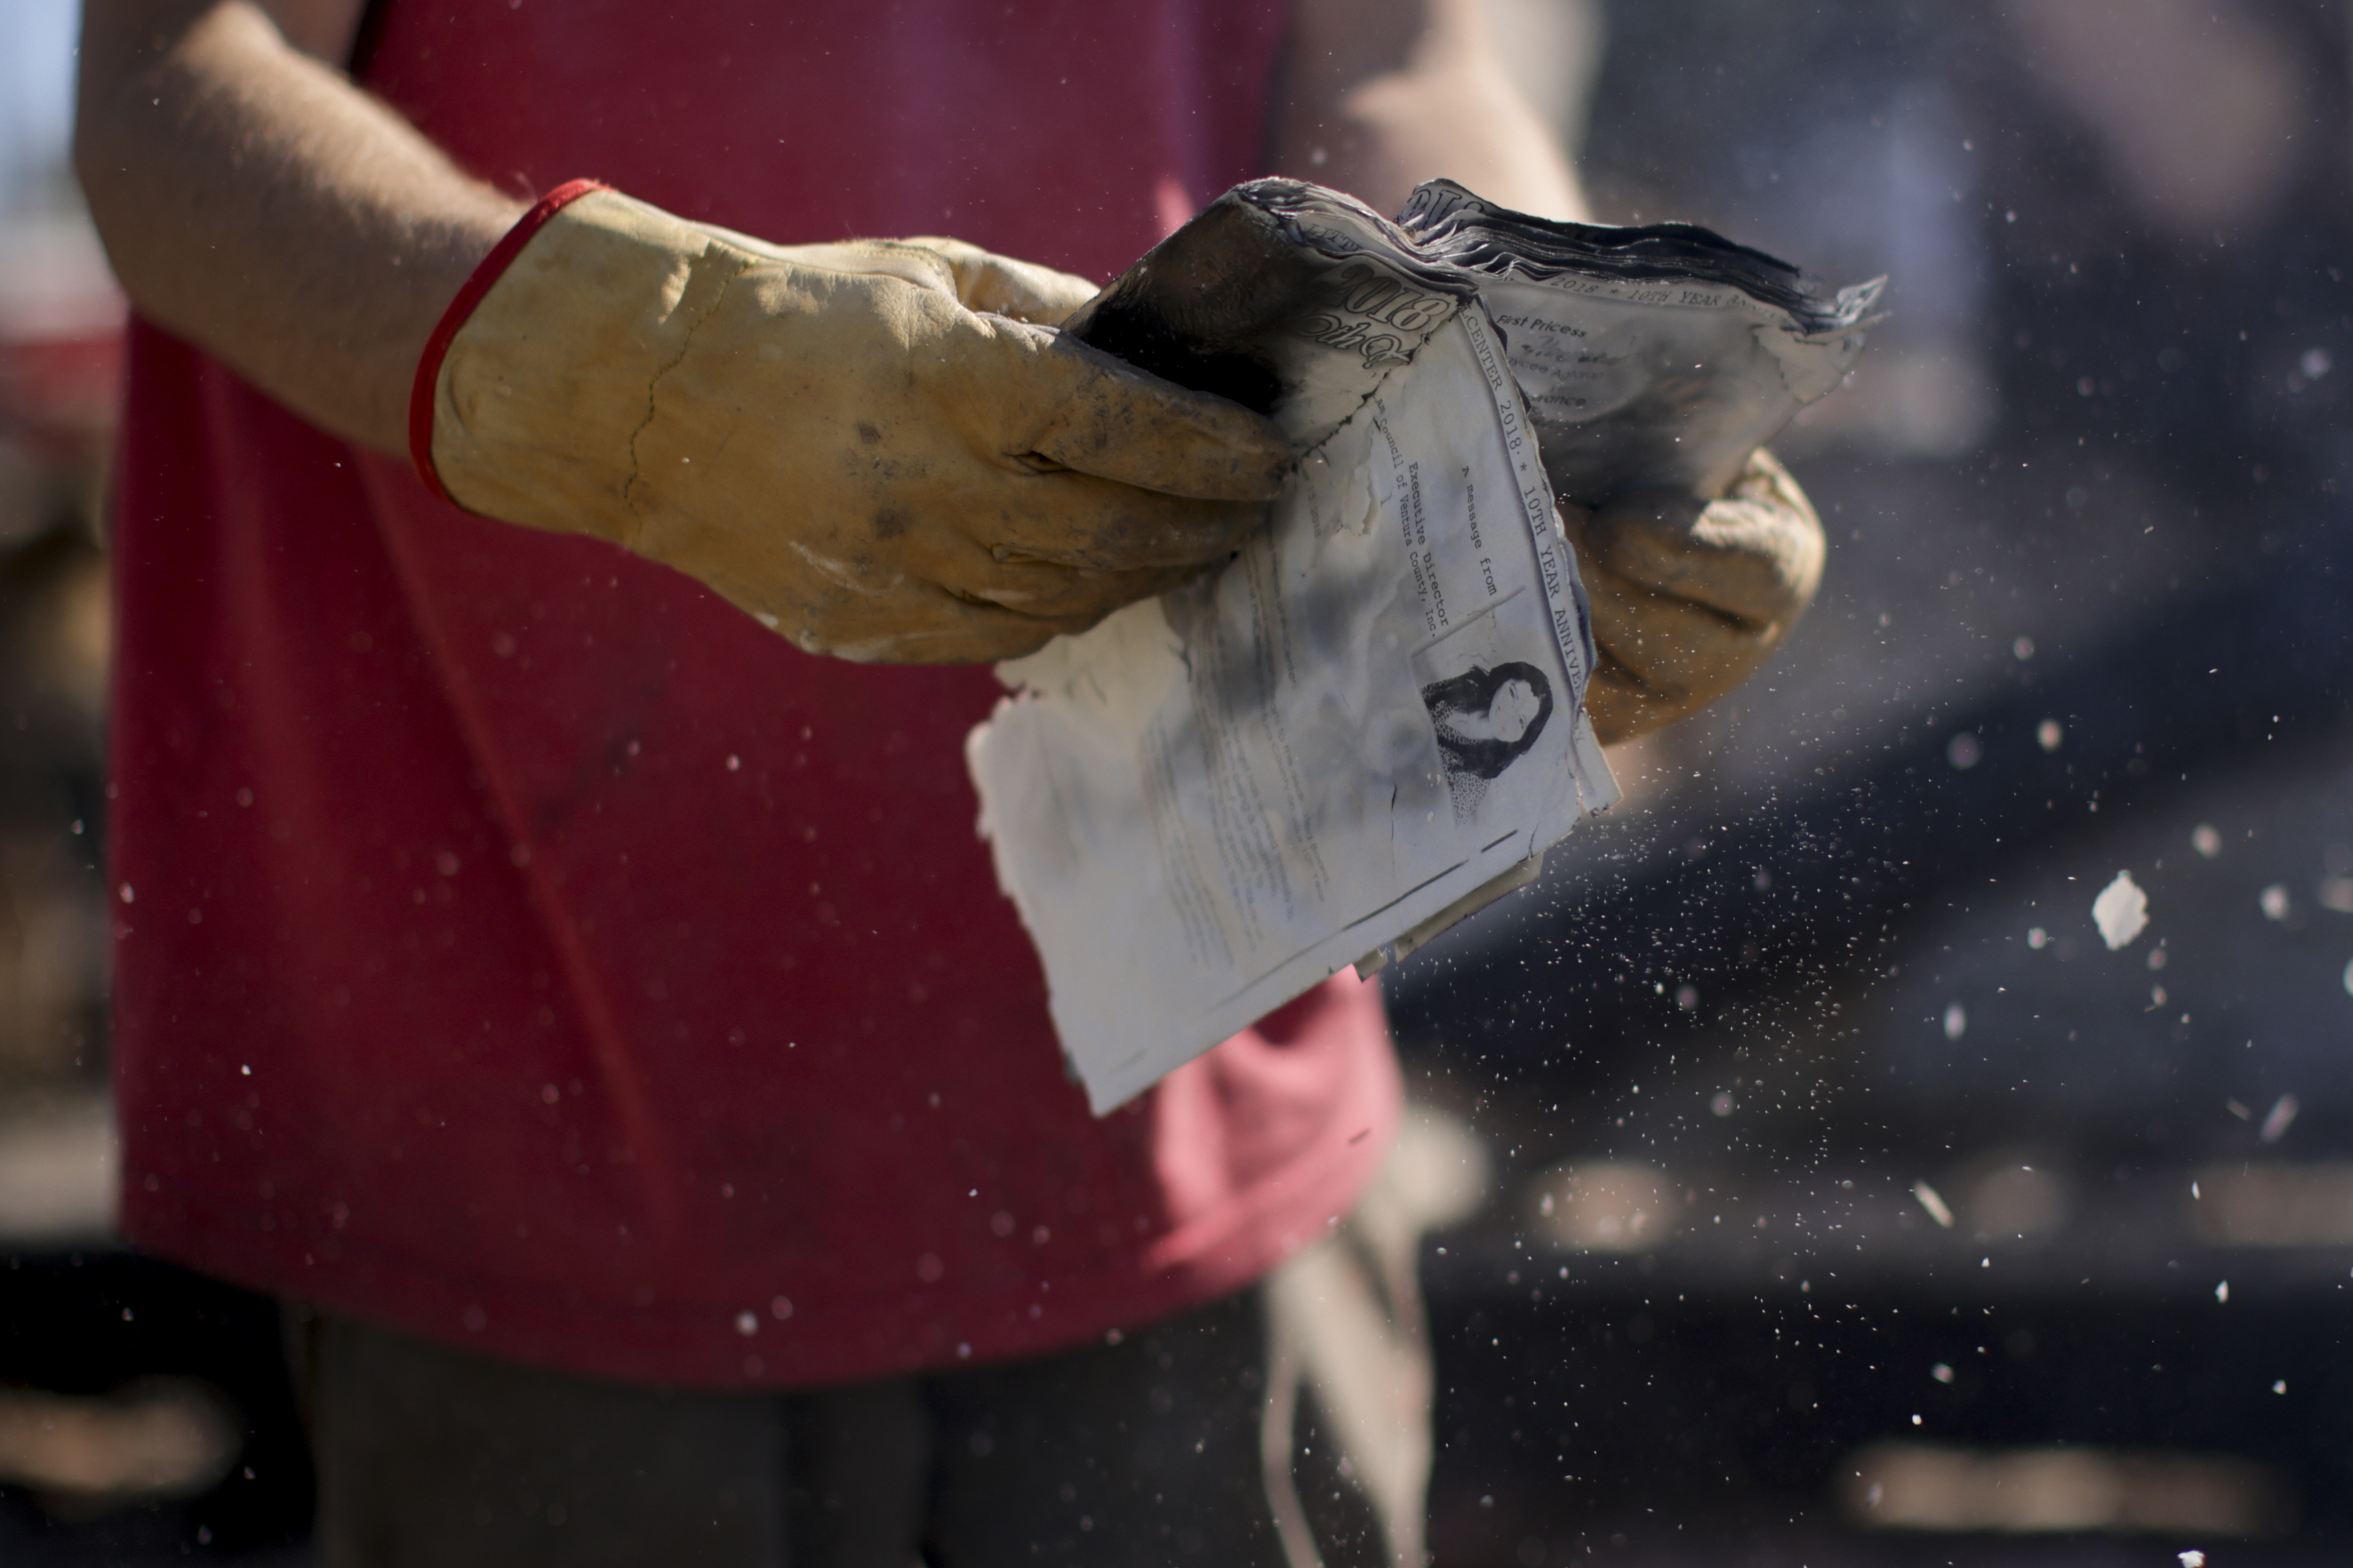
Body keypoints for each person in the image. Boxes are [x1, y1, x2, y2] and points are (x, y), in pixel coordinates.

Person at [74, 1, 1825, 1562]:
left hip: (1213, 1079)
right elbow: (172, 87)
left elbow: (1396, 60)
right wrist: (642, 376)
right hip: (543, 1109)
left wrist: (1564, 419)